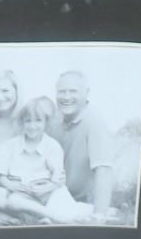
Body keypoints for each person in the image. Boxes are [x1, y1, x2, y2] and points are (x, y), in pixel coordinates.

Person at [0, 97, 82, 224]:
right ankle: (44, 216)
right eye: (28, 121)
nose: (32, 126)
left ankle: (47, 216)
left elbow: (58, 180)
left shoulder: (52, 146)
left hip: (46, 192)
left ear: (46, 122)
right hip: (20, 193)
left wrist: (47, 188)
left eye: (38, 121)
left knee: (66, 205)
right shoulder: (11, 145)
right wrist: (9, 184)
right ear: (22, 123)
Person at [46, 71, 119, 221]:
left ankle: (100, 211)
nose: (66, 97)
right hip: (57, 195)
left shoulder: (94, 121)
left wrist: (99, 214)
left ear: (86, 93)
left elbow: (104, 170)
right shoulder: (54, 120)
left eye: (73, 91)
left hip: (84, 200)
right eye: (62, 92)